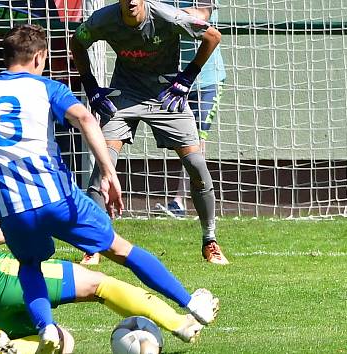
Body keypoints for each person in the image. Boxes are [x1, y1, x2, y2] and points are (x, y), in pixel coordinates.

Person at [0, 24, 218, 353]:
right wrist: (109, 172)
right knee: (120, 250)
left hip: (9, 204)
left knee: (30, 266)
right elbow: (85, 119)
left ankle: (47, 329)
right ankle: (190, 303)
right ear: (39, 57)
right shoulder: (46, 88)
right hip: (56, 195)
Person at [0, 138, 213, 353]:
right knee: (99, 283)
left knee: (61, 342)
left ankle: (14, 349)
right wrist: (23, 224)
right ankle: (181, 324)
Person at [70, 0, 229, 266]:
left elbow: (213, 35)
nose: (131, 1)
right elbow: (77, 41)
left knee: (196, 163)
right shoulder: (103, 20)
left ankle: (209, 240)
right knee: (103, 167)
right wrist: (92, 88)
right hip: (124, 96)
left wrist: (186, 78)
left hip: (167, 96)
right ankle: (93, 245)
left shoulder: (168, 16)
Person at [163, 0, 228, 266]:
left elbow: (202, 15)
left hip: (207, 78)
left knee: (197, 142)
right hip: (173, 77)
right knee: (179, 140)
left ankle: (182, 200)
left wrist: (170, 14)